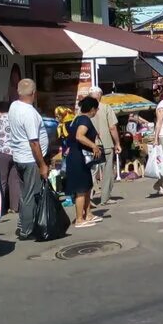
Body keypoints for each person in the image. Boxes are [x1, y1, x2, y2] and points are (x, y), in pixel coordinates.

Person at [8, 79, 50, 240]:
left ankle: (25, 224)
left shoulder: (14, 106)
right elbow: (34, 142)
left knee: (26, 193)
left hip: (19, 156)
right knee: (31, 195)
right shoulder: (29, 113)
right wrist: (42, 165)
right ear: (34, 93)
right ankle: (27, 229)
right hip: (30, 159)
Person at [65, 96, 104, 228]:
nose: (96, 112)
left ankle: (88, 214)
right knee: (81, 189)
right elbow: (79, 136)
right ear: (92, 109)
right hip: (78, 158)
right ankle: (79, 219)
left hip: (80, 158)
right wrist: (94, 145)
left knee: (87, 186)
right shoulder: (84, 119)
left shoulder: (77, 119)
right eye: (96, 109)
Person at [88, 86, 121, 206]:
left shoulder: (82, 109)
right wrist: (117, 143)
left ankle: (89, 197)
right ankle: (105, 198)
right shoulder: (106, 108)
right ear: (100, 95)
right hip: (106, 144)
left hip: (89, 145)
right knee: (107, 171)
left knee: (91, 171)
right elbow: (112, 127)